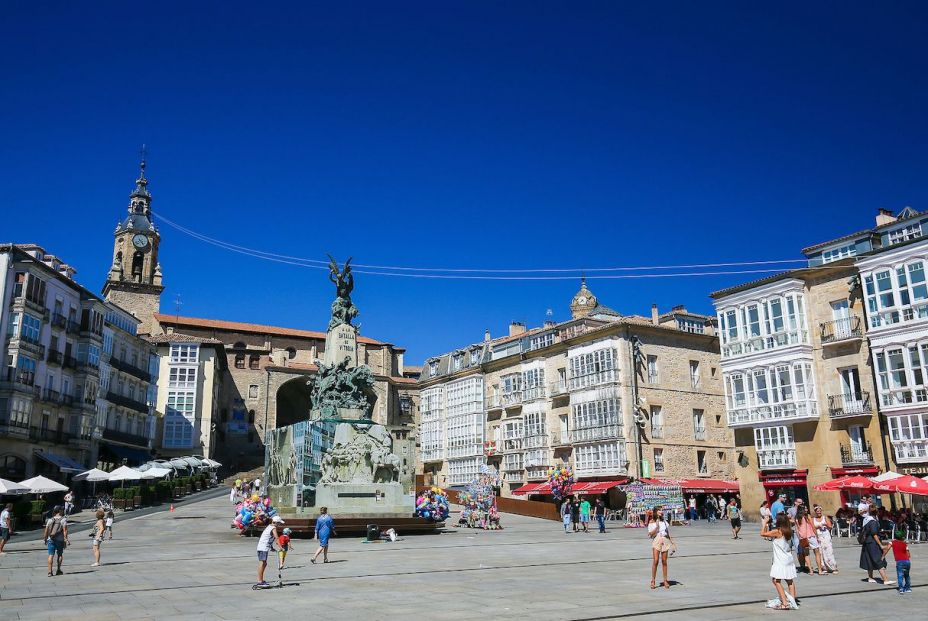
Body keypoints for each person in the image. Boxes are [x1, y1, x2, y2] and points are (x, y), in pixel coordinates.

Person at [761, 514, 798, 610]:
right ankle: (792, 601)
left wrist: (764, 523)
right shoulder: (788, 531)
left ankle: (785, 603)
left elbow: (762, 534)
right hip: (788, 558)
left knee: (776, 580)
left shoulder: (778, 531)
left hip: (780, 560)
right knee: (789, 580)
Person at [858, 507, 893, 585]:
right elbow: (874, 534)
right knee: (878, 559)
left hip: (867, 542)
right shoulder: (873, 522)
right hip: (872, 543)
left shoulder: (866, 520)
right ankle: (885, 580)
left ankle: (870, 577)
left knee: (869, 559)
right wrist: (880, 545)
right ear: (877, 513)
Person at [648, 507, 676, 589]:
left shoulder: (664, 521)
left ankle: (665, 580)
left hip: (665, 540)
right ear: (655, 512)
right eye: (659, 510)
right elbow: (650, 535)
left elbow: (668, 533)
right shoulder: (652, 522)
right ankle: (653, 580)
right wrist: (656, 527)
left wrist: (673, 543)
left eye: (661, 510)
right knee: (656, 561)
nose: (661, 511)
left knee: (664, 561)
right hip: (656, 540)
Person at [256, 515, 284, 586]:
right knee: (262, 563)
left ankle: (261, 580)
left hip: (261, 547)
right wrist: (281, 547)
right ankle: (260, 581)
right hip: (263, 548)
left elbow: (268, 538)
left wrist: (271, 548)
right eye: (279, 523)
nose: (279, 525)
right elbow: (277, 538)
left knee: (264, 563)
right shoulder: (273, 528)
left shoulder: (269, 526)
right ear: (276, 523)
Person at [794, 505, 822, 574]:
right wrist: (817, 536)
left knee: (806, 554)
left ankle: (811, 571)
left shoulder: (796, 518)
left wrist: (799, 538)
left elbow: (797, 530)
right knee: (817, 553)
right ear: (802, 510)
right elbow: (813, 527)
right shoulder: (807, 516)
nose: (806, 509)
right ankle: (820, 570)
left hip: (803, 538)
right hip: (811, 536)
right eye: (805, 508)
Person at [43, 505, 69, 577]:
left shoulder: (50, 520)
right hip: (60, 540)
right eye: (62, 510)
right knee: (60, 554)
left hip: (51, 539)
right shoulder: (63, 520)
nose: (63, 511)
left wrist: (45, 539)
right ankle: (58, 570)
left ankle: (49, 572)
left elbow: (46, 531)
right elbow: (65, 531)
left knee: (51, 555)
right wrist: (66, 539)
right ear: (60, 511)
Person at [812, 505, 837, 573]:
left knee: (829, 551)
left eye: (820, 511)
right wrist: (817, 526)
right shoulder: (813, 519)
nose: (819, 512)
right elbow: (812, 527)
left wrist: (825, 525)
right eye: (817, 511)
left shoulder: (825, 517)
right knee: (820, 552)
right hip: (818, 536)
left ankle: (833, 567)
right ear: (815, 512)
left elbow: (830, 526)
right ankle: (824, 567)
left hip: (825, 536)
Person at [887, 529, 912, 593]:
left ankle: (901, 588)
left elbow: (887, 548)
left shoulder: (892, 542)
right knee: (907, 575)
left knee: (900, 575)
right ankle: (908, 588)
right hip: (907, 561)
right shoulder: (904, 544)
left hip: (899, 561)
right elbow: (909, 555)